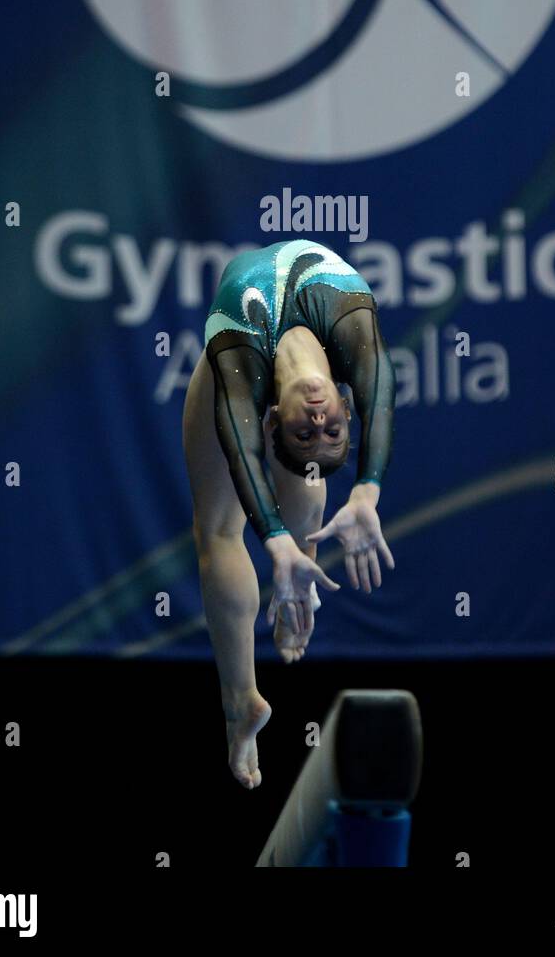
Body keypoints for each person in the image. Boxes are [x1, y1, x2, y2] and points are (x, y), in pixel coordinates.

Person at [183, 238, 396, 789]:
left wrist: (281, 536)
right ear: (346, 408)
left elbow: (242, 445)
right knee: (260, 514)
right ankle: (247, 685)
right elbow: (381, 394)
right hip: (254, 369)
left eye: (313, 430)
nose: (322, 422)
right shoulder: (350, 330)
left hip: (242, 359)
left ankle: (242, 698)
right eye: (328, 431)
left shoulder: (237, 345)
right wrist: (362, 494)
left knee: (219, 530)